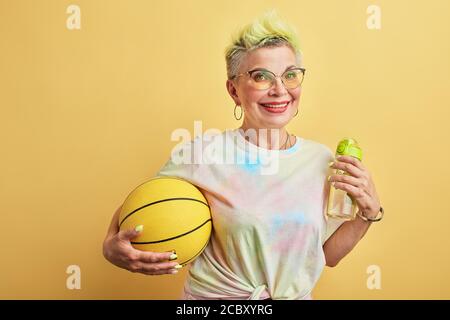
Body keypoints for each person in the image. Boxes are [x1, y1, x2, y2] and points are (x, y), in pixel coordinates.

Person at [102, 10, 383, 300]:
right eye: (261, 76)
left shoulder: (322, 161)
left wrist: (367, 214)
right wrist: (111, 246)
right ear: (234, 90)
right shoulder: (204, 153)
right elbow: (141, 207)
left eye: (290, 75)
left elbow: (326, 256)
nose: (279, 90)